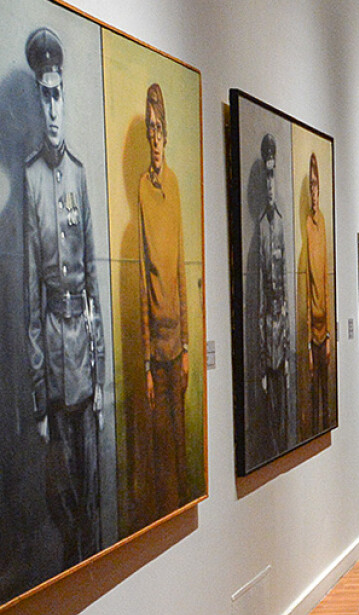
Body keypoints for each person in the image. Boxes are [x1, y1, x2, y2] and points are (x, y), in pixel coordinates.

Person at [24, 26, 105, 567]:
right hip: (53, 353)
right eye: (44, 95)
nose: (53, 107)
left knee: (93, 478)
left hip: (84, 348)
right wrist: (37, 388)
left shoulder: (78, 174)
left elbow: (95, 279)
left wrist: (100, 375)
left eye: (59, 94)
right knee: (61, 490)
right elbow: (32, 293)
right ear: (38, 100)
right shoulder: (31, 182)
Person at [137, 83, 189, 520]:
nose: (155, 138)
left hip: (178, 347)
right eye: (149, 129)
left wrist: (188, 346)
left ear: (168, 134)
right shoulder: (142, 188)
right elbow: (142, 276)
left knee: (181, 441)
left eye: (160, 129)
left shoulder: (173, 185)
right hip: (156, 350)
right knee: (160, 448)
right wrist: (145, 362)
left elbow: (180, 274)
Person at [256, 133, 292, 453]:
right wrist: (263, 356)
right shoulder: (261, 229)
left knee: (283, 399)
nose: (270, 187)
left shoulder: (280, 224)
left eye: (272, 176)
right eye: (266, 177)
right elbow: (259, 299)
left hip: (280, 330)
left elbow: (285, 296)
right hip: (268, 331)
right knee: (270, 402)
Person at [303, 153, 331, 438]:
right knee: (314, 390)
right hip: (312, 332)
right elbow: (308, 284)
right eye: (310, 185)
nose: (313, 192)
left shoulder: (322, 223)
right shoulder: (308, 229)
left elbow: (325, 279)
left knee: (325, 389)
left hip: (324, 331)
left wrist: (330, 335)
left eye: (316, 186)